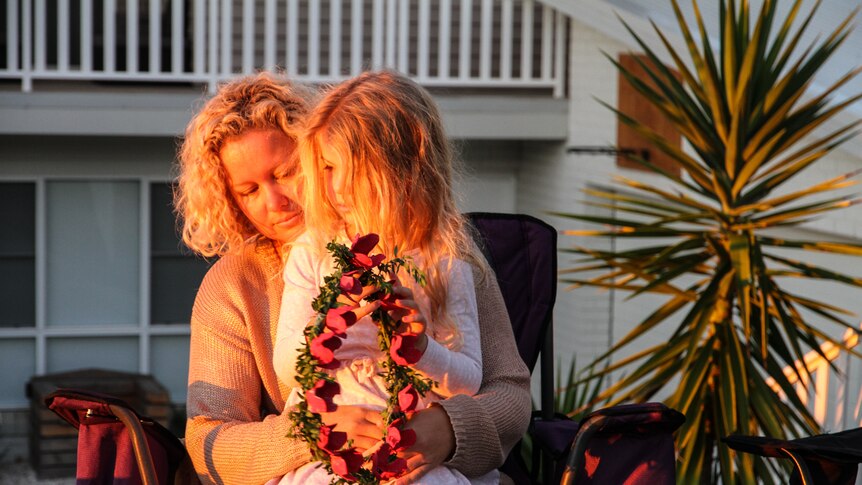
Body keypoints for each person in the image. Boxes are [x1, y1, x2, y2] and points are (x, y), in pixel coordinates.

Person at [176, 71, 531, 485]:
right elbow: (208, 439)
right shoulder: (233, 285)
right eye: (248, 190)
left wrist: (448, 429)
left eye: (286, 171)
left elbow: (510, 394)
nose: (275, 202)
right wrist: (311, 434)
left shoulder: (444, 250)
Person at [271, 70, 491, 484]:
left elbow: (470, 382)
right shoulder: (314, 252)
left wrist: (420, 347)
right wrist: (328, 321)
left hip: (412, 454)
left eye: (339, 167)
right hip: (329, 448)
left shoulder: (442, 261)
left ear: (398, 171)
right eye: (324, 167)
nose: (331, 185)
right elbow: (288, 369)